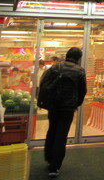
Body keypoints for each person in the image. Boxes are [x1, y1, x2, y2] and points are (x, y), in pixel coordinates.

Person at [38, 47, 87, 178]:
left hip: (53, 105)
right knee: (61, 135)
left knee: (52, 130)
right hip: (68, 108)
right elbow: (82, 91)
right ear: (78, 58)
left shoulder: (55, 67)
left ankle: (49, 158)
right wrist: (76, 103)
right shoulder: (79, 71)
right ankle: (55, 167)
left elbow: (44, 83)